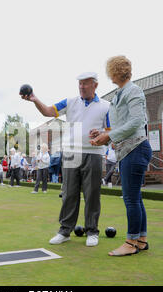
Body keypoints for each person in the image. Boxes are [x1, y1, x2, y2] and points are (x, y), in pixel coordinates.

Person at [21, 71, 110, 247]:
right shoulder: (70, 102)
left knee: (92, 194)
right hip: (70, 152)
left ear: (95, 85)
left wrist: (101, 133)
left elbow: (110, 130)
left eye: (85, 83)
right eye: (80, 84)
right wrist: (35, 99)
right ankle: (65, 231)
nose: (82, 87)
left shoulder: (106, 106)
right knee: (69, 193)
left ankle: (92, 231)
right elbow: (48, 111)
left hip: (94, 153)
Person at [90, 55, 152, 256]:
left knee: (131, 199)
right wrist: (103, 135)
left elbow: (136, 122)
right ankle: (141, 240)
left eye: (110, 71)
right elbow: (120, 126)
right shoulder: (120, 93)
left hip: (136, 150)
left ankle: (131, 242)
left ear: (114, 72)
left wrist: (109, 135)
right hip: (127, 150)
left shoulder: (133, 91)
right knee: (135, 198)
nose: (109, 75)